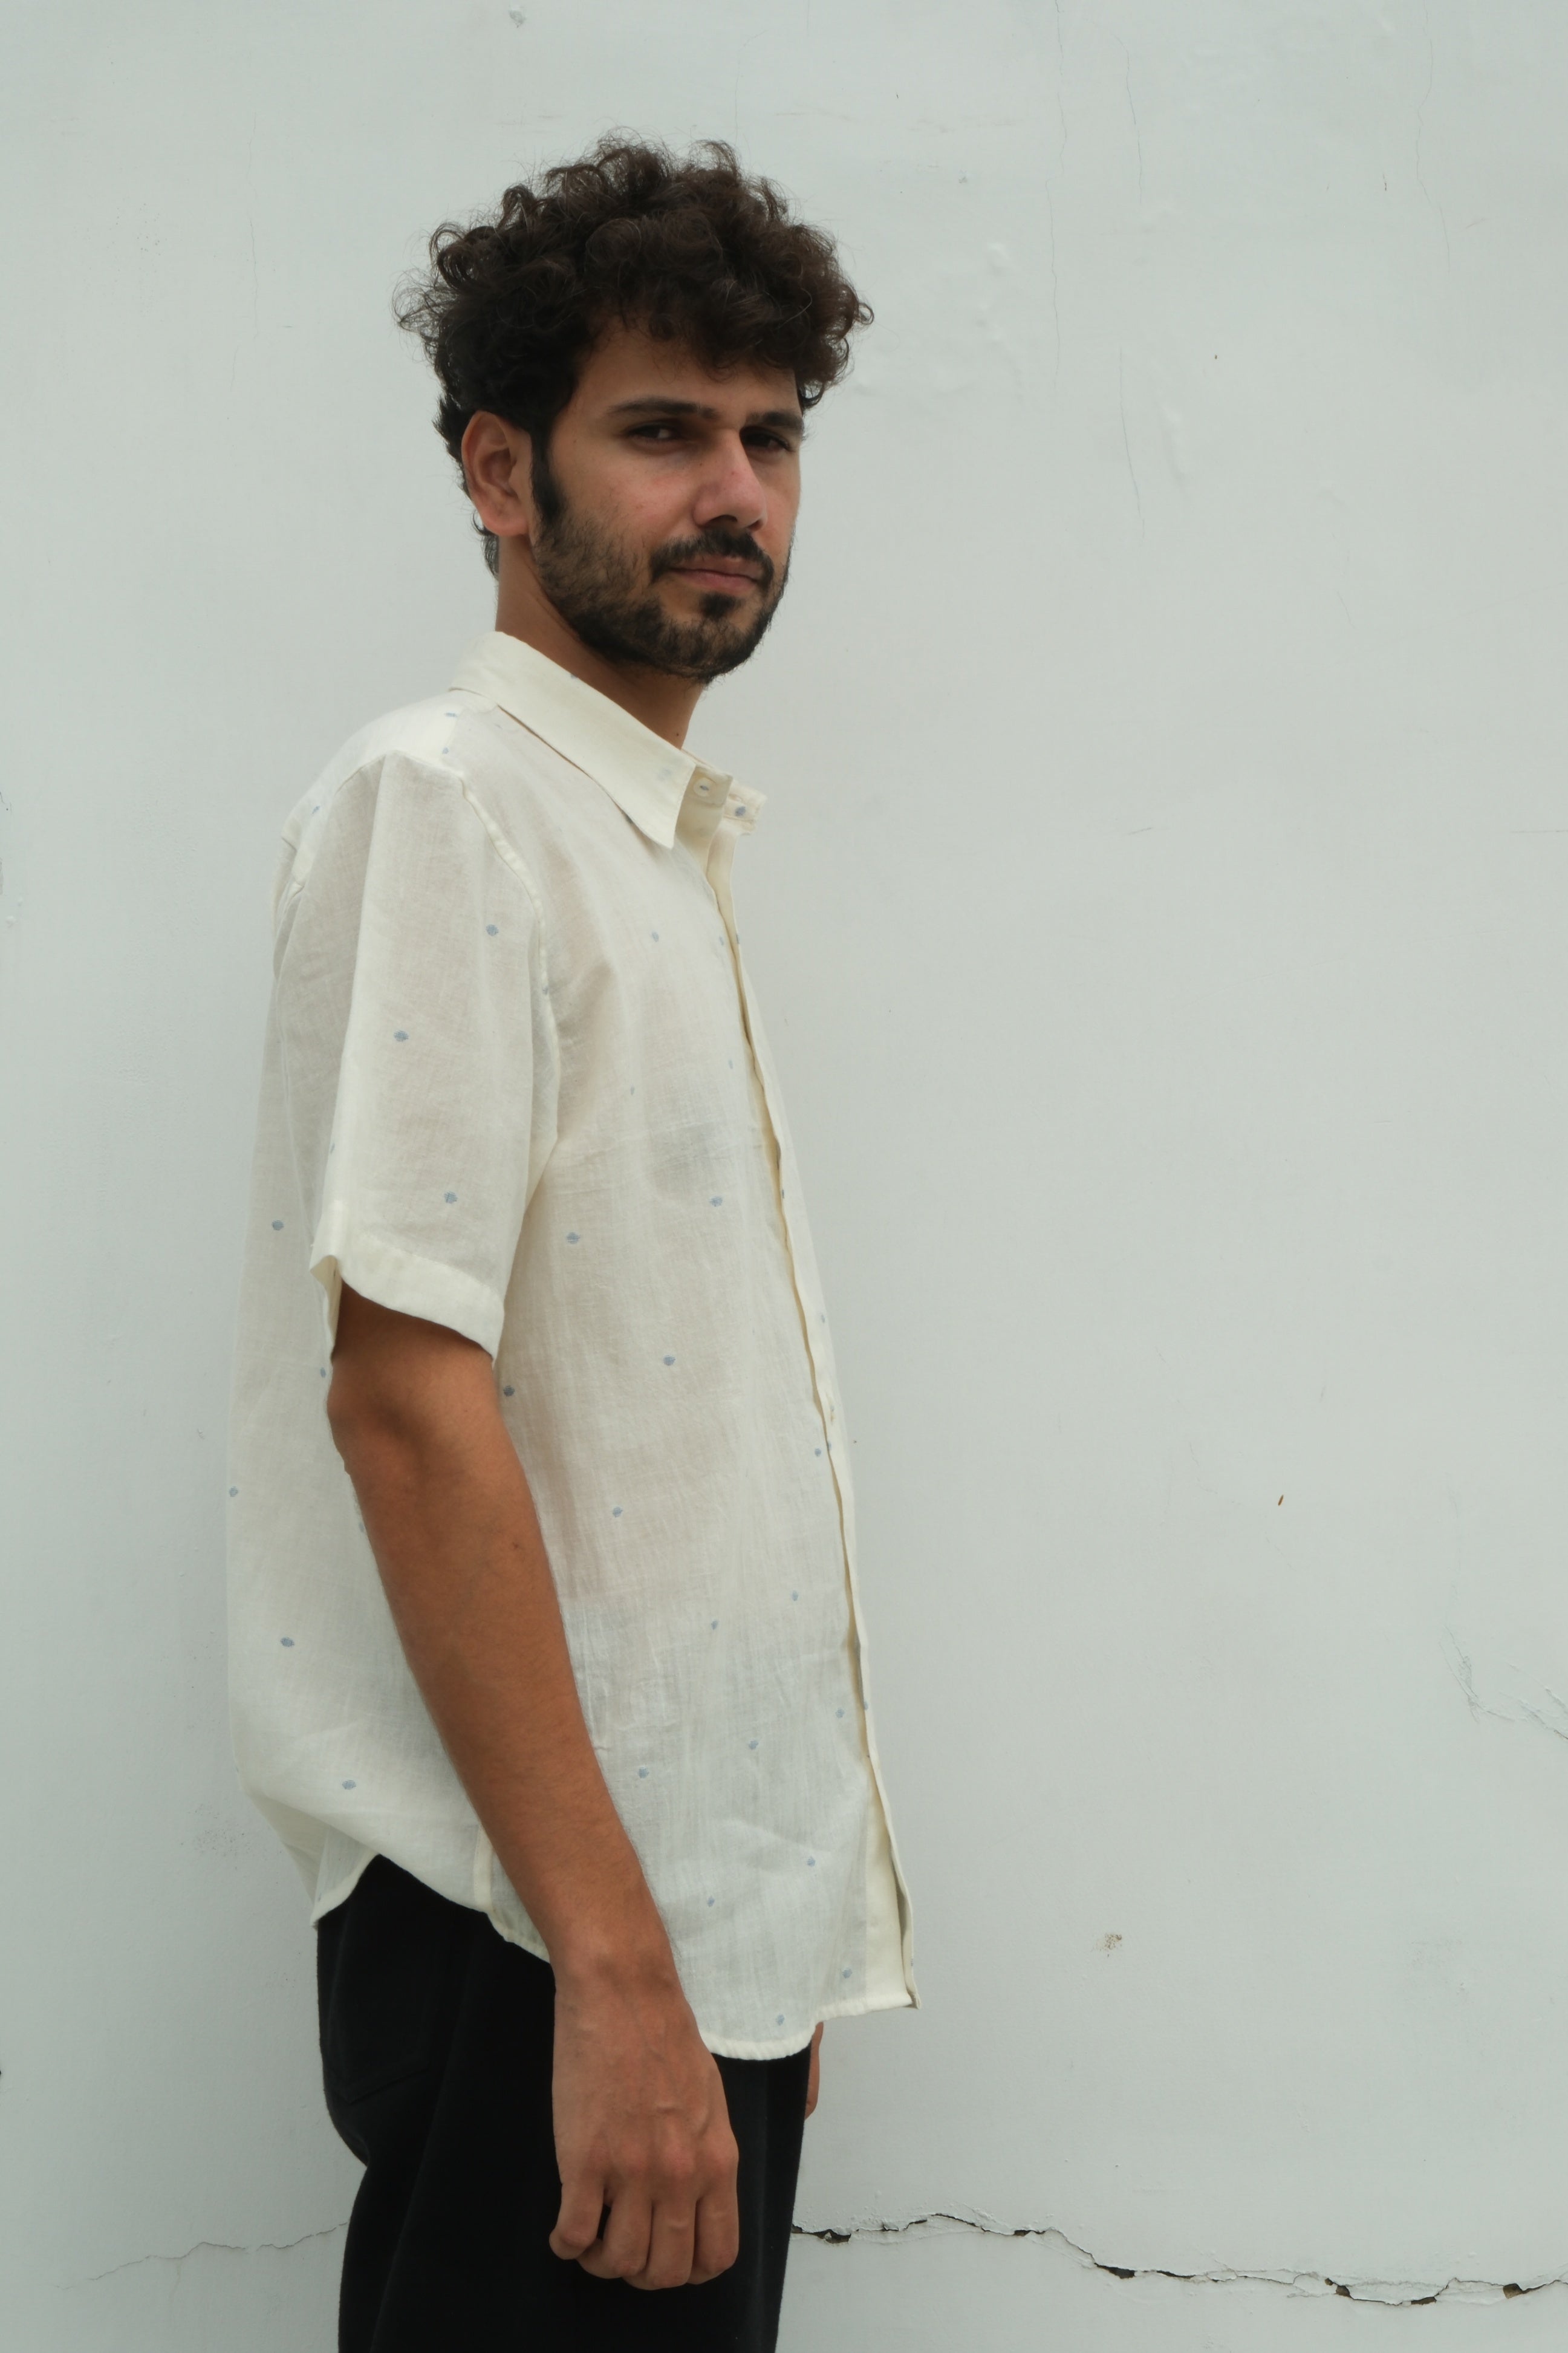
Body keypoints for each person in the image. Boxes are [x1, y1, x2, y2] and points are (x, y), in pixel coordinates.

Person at [227, 136, 916, 2353]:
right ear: (498, 471)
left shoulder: (645, 840)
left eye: (770, 439)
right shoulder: (451, 801)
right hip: (536, 1935)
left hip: (667, 1926)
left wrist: (760, 1946)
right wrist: (619, 1968)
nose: (733, 492)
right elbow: (404, 1404)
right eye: (663, 430)